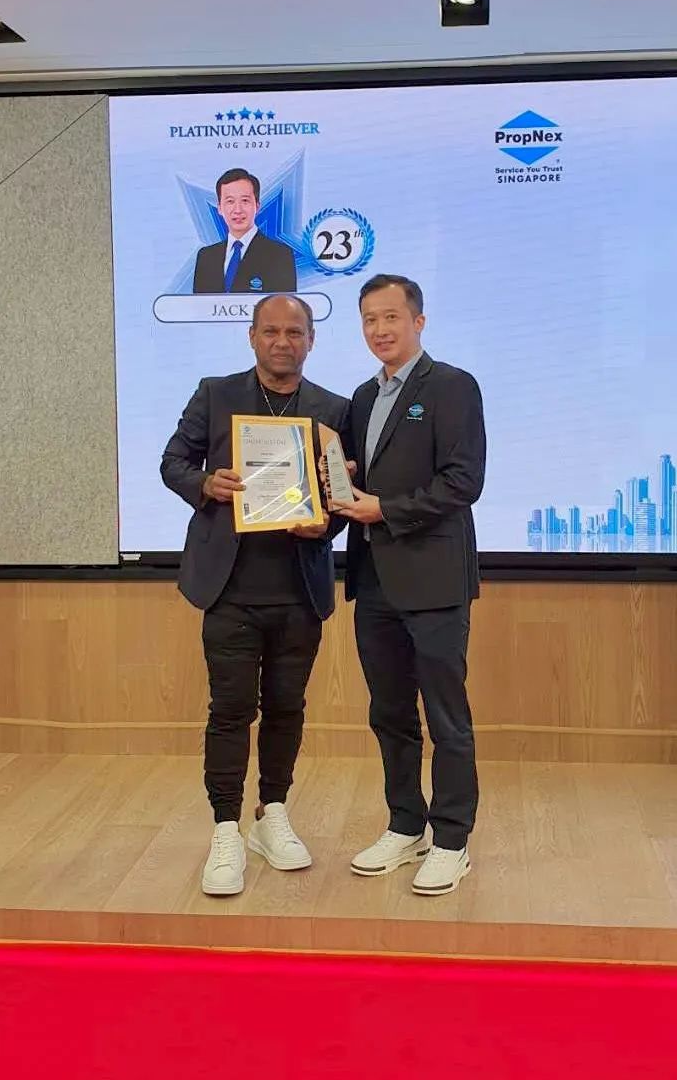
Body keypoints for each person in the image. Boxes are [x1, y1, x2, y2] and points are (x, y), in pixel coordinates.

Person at [161, 294, 348, 895]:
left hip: (298, 588)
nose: (282, 342)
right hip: (229, 588)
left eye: (295, 332)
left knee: (287, 707)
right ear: (252, 336)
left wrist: (326, 525)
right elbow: (173, 461)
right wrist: (205, 483)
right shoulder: (216, 394)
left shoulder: (333, 410)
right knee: (230, 709)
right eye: (271, 331)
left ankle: (273, 813)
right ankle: (225, 829)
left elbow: (343, 494)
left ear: (311, 340)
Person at [329, 274, 486, 896]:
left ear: (418, 321)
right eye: (369, 319)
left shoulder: (451, 386)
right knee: (389, 713)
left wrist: (384, 509)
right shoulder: (362, 397)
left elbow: (463, 482)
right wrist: (337, 479)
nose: (380, 330)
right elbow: (357, 480)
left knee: (446, 717)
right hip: (374, 582)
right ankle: (405, 824)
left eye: (391, 317)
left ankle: (451, 840)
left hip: (435, 580)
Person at [192, 169, 297, 294]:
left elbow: (282, 304)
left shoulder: (280, 255)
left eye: (245, 201)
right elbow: (198, 304)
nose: (238, 210)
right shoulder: (205, 257)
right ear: (219, 208)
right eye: (230, 201)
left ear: (257, 206)